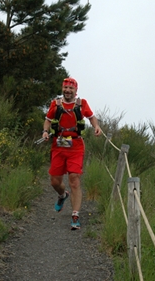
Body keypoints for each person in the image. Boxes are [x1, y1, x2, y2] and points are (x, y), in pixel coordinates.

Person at [41, 77, 102, 230]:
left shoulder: (82, 104)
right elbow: (48, 120)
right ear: (63, 89)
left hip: (76, 146)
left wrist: (96, 127)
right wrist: (45, 132)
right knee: (55, 181)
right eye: (65, 88)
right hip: (59, 144)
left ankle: (75, 215)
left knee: (74, 179)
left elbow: (91, 117)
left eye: (71, 89)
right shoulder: (56, 104)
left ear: (76, 91)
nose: (68, 91)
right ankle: (62, 195)